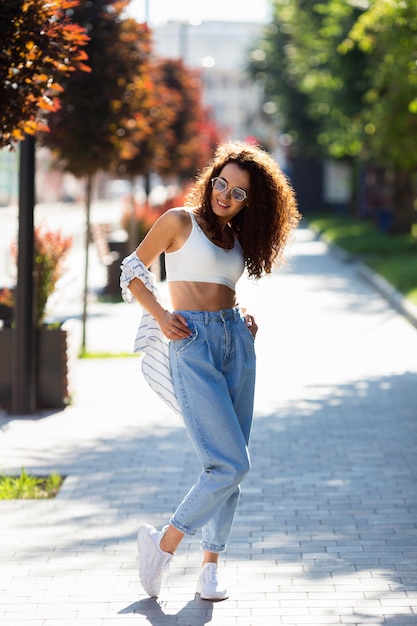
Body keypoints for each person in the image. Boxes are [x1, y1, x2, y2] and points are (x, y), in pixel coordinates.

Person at [120, 140, 300, 601]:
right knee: (231, 463)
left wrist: (243, 319)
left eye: (239, 193)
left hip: (236, 342)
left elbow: (223, 290)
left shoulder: (237, 239)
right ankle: (163, 545)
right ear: (212, 179)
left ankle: (210, 568)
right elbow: (132, 270)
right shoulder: (180, 221)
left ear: (250, 203)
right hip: (191, 343)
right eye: (222, 183)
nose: (226, 195)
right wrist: (161, 316)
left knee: (230, 463)